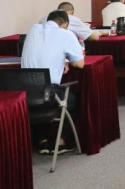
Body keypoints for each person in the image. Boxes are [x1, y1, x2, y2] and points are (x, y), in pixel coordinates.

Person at [21, 10, 85, 153]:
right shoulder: (66, 34)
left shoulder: (32, 30)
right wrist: (66, 60)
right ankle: (61, 141)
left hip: (25, 93)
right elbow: (80, 64)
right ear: (65, 24)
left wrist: (63, 60)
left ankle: (42, 140)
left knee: (37, 98)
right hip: (49, 94)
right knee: (72, 99)